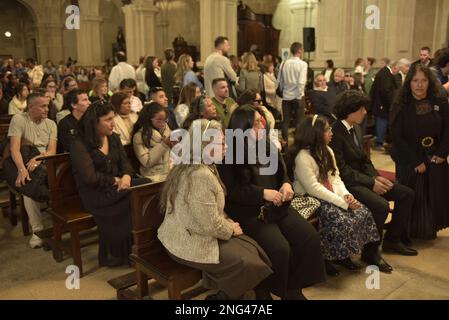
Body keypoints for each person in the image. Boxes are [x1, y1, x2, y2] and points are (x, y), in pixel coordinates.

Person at [217, 105, 326, 300]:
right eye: (256, 123)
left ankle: (293, 287)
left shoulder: (267, 146)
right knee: (280, 248)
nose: (262, 126)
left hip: (277, 206)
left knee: (309, 237)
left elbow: (282, 174)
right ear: (242, 128)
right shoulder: (229, 153)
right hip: (249, 212)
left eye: (262, 121)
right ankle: (264, 289)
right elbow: (232, 192)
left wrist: (286, 186)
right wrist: (262, 193)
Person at [158, 119, 273, 300]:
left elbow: (207, 213)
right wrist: (230, 228)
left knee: (254, 249)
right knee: (248, 262)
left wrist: (227, 222)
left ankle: (230, 295)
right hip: (186, 241)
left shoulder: (202, 164)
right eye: (221, 143)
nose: (226, 147)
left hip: (196, 230)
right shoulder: (199, 175)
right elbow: (210, 225)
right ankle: (224, 298)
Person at [330, 90, 418, 274]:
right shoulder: (335, 132)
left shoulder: (356, 127)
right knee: (381, 205)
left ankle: (393, 239)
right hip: (348, 184)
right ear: (350, 110)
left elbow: (364, 160)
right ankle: (370, 253)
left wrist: (376, 177)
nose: (365, 112)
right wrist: (371, 182)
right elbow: (342, 171)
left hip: (364, 178)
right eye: (362, 109)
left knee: (406, 194)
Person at [292, 114, 379, 276]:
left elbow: (335, 178)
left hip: (329, 193)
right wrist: (342, 203)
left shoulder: (327, 150)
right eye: (327, 130)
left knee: (362, 211)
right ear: (316, 133)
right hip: (309, 199)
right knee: (338, 217)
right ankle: (326, 258)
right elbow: (314, 189)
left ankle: (343, 254)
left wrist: (346, 196)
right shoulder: (303, 157)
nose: (331, 132)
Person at [70, 102, 149, 267]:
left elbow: (125, 163)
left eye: (113, 118)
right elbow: (90, 177)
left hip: (118, 186)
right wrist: (115, 180)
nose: (113, 123)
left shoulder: (113, 137)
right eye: (108, 120)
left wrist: (127, 176)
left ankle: (143, 246)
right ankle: (122, 252)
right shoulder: (79, 144)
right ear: (94, 122)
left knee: (146, 186)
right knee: (134, 198)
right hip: (96, 193)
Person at [390, 65, 449, 239]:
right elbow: (396, 136)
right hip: (408, 158)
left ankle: (427, 229)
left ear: (429, 82)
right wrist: (415, 161)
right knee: (412, 195)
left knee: (433, 194)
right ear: (409, 82)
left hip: (435, 155)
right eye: (415, 80)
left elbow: (448, 128)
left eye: (423, 80)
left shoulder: (440, 100)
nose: (419, 85)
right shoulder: (400, 103)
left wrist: (442, 152)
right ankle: (406, 232)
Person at [7, 91, 57, 248]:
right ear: (31, 107)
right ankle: (37, 230)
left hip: (43, 161)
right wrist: (22, 169)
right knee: (28, 185)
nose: (46, 109)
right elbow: (14, 149)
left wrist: (39, 158)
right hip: (23, 159)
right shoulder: (19, 119)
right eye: (42, 106)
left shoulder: (51, 124)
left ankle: (61, 221)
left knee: (32, 185)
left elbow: (52, 152)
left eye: (47, 106)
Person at [132, 102, 172, 182]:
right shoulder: (139, 137)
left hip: (169, 170)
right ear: (149, 119)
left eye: (164, 119)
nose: (163, 123)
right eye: (159, 120)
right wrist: (164, 145)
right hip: (152, 175)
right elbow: (147, 162)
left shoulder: (167, 131)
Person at [277, 42, 307, 147]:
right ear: (299, 51)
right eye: (302, 49)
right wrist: (299, 96)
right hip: (298, 96)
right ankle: (298, 146)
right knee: (299, 122)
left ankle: (284, 145)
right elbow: (301, 82)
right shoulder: (303, 64)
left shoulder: (284, 63)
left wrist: (282, 91)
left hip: (286, 96)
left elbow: (279, 81)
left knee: (285, 122)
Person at [370, 60, 400, 151]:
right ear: (394, 67)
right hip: (381, 104)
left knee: (382, 122)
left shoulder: (385, 72)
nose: (397, 72)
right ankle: (379, 142)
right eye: (398, 70)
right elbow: (385, 91)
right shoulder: (385, 74)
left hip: (382, 103)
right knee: (381, 122)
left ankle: (381, 140)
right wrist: (392, 102)